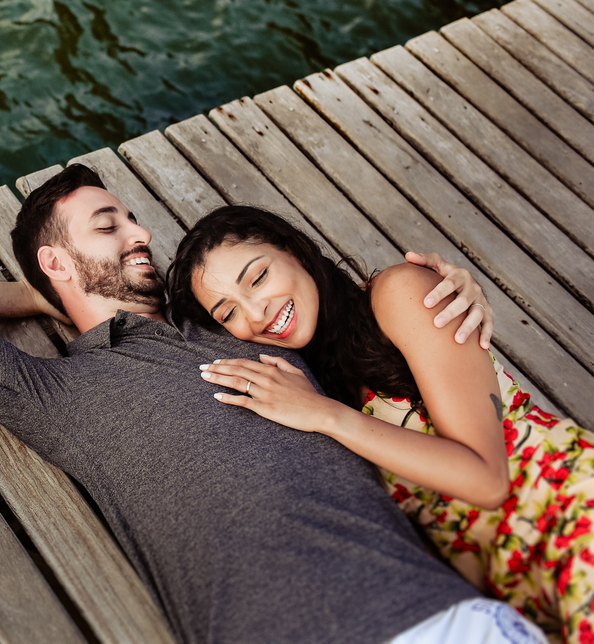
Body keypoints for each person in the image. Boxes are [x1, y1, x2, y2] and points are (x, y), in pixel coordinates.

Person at [0, 164, 549, 644]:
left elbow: (351, 314)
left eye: (133, 219)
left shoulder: (239, 323)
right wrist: (43, 297)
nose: (140, 235)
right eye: (109, 226)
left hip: (444, 617)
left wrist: (449, 283)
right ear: (58, 262)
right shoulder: (58, 392)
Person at [170, 203, 594, 644]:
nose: (256, 314)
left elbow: (486, 480)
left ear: (294, 249)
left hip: (570, 510)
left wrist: (327, 415)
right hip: (513, 591)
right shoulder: (306, 384)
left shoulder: (398, 294)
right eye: (228, 314)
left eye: (257, 278)